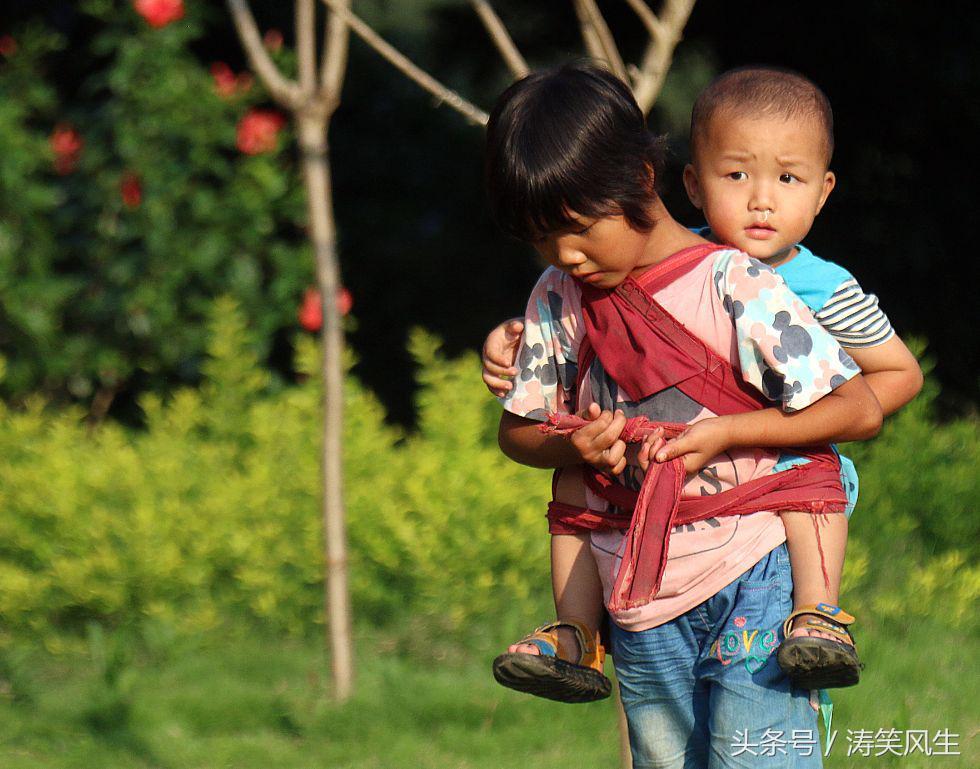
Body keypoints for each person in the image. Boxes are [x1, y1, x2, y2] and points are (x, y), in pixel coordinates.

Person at [483, 62, 887, 767]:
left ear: (642, 178)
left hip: (753, 569)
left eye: (577, 230)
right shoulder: (559, 297)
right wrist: (576, 442)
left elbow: (855, 406)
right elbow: (517, 431)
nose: (564, 256)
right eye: (542, 240)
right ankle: (575, 632)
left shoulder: (735, 283)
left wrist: (730, 432)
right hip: (640, 588)